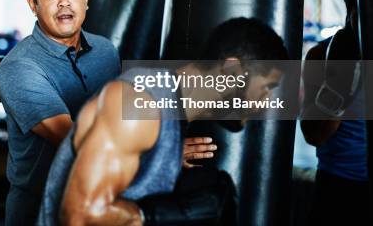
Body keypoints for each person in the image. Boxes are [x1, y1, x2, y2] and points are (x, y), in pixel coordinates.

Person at [0, 0, 217, 225]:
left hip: (103, 197)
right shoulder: (19, 68)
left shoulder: (105, 50)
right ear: (33, 4)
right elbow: (70, 137)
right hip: (37, 207)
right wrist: (165, 152)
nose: (64, 2)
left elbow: (123, 115)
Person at [37, 17, 289, 225]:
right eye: (266, 88)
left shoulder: (169, 119)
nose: (265, 103)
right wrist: (166, 214)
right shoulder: (139, 103)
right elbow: (81, 215)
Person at [301, 0, 372, 225]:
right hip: (339, 185)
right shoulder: (321, 56)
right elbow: (314, 135)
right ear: (353, 13)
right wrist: (339, 88)